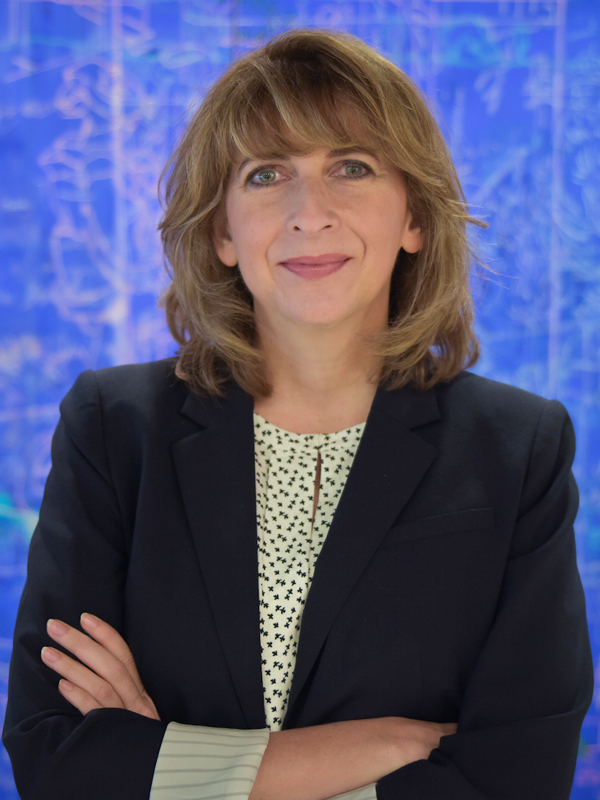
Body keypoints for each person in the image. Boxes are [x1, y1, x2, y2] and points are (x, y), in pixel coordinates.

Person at [3, 27, 593, 800]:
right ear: (222, 232)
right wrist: (379, 747)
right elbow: (56, 756)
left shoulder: (518, 450)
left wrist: (170, 762)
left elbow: (517, 774)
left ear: (414, 218)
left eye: (351, 168)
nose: (309, 213)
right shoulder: (115, 430)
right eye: (266, 174)